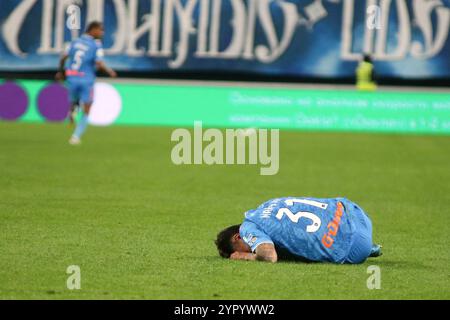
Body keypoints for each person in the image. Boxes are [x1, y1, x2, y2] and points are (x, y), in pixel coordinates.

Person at [215, 197, 382, 264]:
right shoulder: (265, 206)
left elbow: (269, 256)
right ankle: (368, 246)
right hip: (354, 211)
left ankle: (366, 247)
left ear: (237, 237)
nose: (251, 247)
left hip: (355, 247)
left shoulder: (248, 227)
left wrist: (244, 256)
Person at [55, 21, 117, 145]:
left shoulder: (73, 42)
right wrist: (109, 71)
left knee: (74, 101)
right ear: (92, 30)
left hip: (71, 77)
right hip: (86, 79)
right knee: (87, 109)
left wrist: (61, 72)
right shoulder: (96, 44)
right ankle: (76, 136)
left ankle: (73, 110)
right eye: (100, 30)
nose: (102, 33)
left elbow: (63, 58)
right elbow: (99, 63)